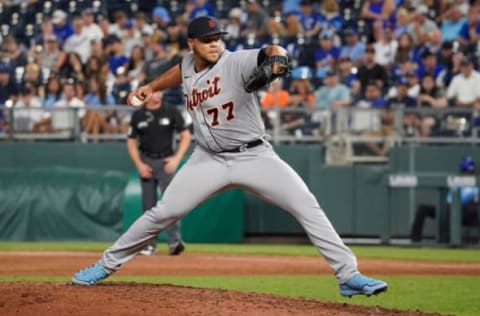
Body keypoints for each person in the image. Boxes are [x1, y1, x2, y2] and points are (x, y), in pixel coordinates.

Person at [72, 16, 388, 298]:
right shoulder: (186, 64)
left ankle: (348, 275)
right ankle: (105, 264)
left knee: (305, 203)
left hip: (254, 156)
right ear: (191, 43)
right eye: (207, 40)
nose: (214, 44)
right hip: (207, 159)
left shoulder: (235, 62)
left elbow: (272, 50)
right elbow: (179, 72)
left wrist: (276, 61)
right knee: (163, 212)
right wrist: (150, 86)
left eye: (218, 38)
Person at [127, 91, 191, 256]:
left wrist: (176, 159)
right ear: (146, 95)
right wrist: (139, 164)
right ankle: (149, 244)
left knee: (171, 204)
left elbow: (185, 136)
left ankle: (174, 241)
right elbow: (131, 141)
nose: (158, 94)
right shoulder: (138, 115)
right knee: (148, 207)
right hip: (146, 162)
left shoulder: (171, 111)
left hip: (166, 162)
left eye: (160, 90)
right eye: (154, 91)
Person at [411, 156, 480, 242]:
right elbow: (448, 199)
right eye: (464, 171)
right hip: (448, 209)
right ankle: (415, 241)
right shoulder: (456, 181)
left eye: (469, 171)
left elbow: (475, 203)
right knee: (422, 208)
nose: (467, 173)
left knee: (474, 211)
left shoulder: (476, 184)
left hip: (465, 212)